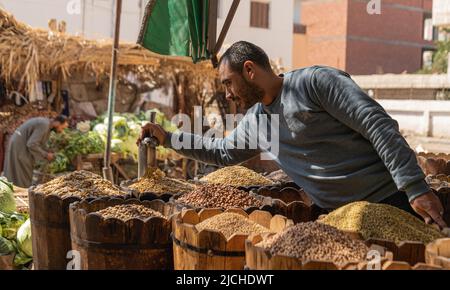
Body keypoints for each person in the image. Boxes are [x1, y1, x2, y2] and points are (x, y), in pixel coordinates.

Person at [139, 41, 447, 228]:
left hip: (393, 202)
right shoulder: (257, 120)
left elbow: (377, 124)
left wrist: (414, 187)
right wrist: (168, 138)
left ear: (249, 70)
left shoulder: (315, 83)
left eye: (228, 83)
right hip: (341, 219)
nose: (228, 94)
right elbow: (222, 152)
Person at [3, 115, 69, 187]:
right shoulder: (44, 125)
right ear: (57, 123)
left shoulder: (46, 124)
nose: (61, 131)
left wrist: (47, 151)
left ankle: (16, 189)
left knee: (17, 172)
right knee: (22, 173)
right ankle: (20, 191)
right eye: (62, 128)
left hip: (19, 145)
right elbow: (32, 144)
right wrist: (46, 155)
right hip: (20, 147)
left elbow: (38, 142)